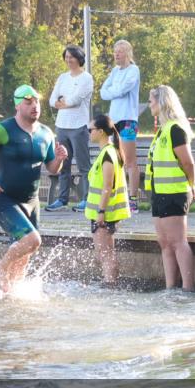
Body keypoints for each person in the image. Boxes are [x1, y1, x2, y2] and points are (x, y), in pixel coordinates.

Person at [0, 85, 68, 293]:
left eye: (37, 102)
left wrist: (59, 159)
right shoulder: (3, 129)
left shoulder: (46, 133)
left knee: (25, 256)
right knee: (32, 240)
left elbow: (52, 169)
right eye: (28, 102)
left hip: (31, 202)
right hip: (5, 200)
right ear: (17, 105)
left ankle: (9, 298)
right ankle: (1, 267)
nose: (35, 106)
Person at [145, 85, 195, 290]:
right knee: (165, 243)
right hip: (159, 192)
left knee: (178, 241)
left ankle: (188, 288)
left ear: (162, 102)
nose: (149, 104)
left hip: (175, 192)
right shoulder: (162, 130)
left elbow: (188, 162)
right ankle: (170, 288)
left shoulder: (176, 128)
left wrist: (192, 186)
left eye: (151, 100)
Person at [46, 44, 94, 212]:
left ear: (79, 58)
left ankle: (87, 200)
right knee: (63, 165)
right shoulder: (62, 77)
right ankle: (62, 199)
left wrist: (63, 102)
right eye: (66, 57)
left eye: (71, 57)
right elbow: (52, 100)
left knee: (83, 166)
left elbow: (76, 100)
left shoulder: (87, 78)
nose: (68, 60)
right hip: (61, 127)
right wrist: (61, 103)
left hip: (79, 127)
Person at [84, 114, 131, 284]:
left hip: (105, 213)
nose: (89, 133)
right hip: (103, 212)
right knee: (104, 253)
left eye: (91, 130)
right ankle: (110, 283)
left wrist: (101, 211)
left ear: (101, 132)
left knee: (106, 254)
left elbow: (107, 187)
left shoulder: (108, 154)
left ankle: (111, 286)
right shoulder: (107, 151)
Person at [100, 40, 141, 211]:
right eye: (115, 51)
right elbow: (103, 92)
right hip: (114, 120)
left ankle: (133, 199)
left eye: (120, 51)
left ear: (127, 53)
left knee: (129, 161)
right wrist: (113, 92)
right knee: (116, 159)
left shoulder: (134, 70)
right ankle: (118, 196)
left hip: (128, 119)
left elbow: (124, 89)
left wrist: (113, 92)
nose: (116, 54)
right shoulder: (115, 71)